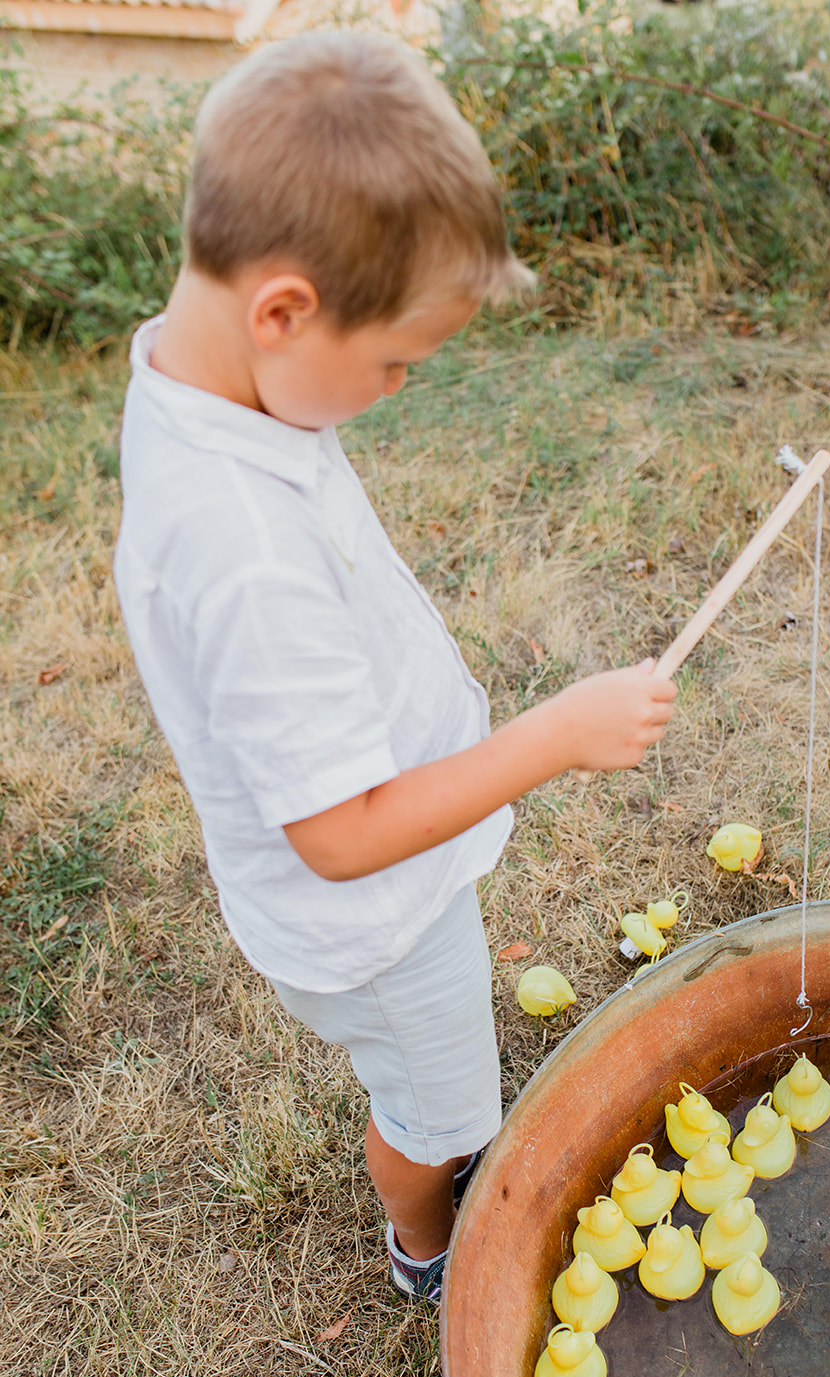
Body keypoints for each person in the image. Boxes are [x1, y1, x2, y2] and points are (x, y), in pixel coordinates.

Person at [115, 31, 676, 1304]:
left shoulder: (208, 375)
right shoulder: (244, 548)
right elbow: (340, 833)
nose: (397, 389)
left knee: (436, 1062)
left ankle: (435, 1178)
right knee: (438, 1106)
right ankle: (432, 1244)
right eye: (391, 364)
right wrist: (551, 736)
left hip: (388, 875)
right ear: (282, 311)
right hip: (372, 914)